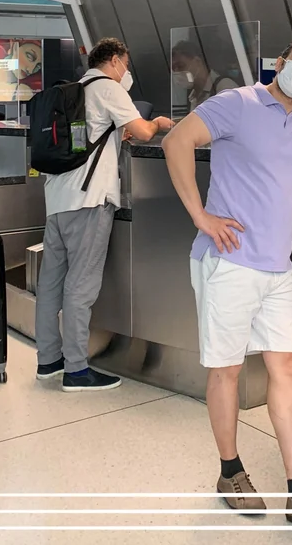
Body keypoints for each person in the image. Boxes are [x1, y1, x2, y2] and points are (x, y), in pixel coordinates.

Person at [162, 39, 292, 525]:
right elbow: (177, 142)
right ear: (279, 64)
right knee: (227, 371)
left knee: (287, 368)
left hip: (277, 268)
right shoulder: (238, 102)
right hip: (229, 261)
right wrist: (201, 216)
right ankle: (230, 472)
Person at [36, 38, 174, 391]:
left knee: (51, 285)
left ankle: (48, 360)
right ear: (114, 61)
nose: (126, 72)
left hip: (57, 201)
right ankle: (77, 370)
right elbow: (142, 131)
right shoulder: (108, 88)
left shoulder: (76, 90)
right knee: (80, 288)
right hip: (90, 200)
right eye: (125, 65)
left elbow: (89, 138)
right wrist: (157, 123)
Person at [171, 39, 238, 113]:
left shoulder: (224, 87)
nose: (177, 72)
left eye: (180, 66)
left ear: (197, 62)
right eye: (173, 69)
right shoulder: (193, 97)